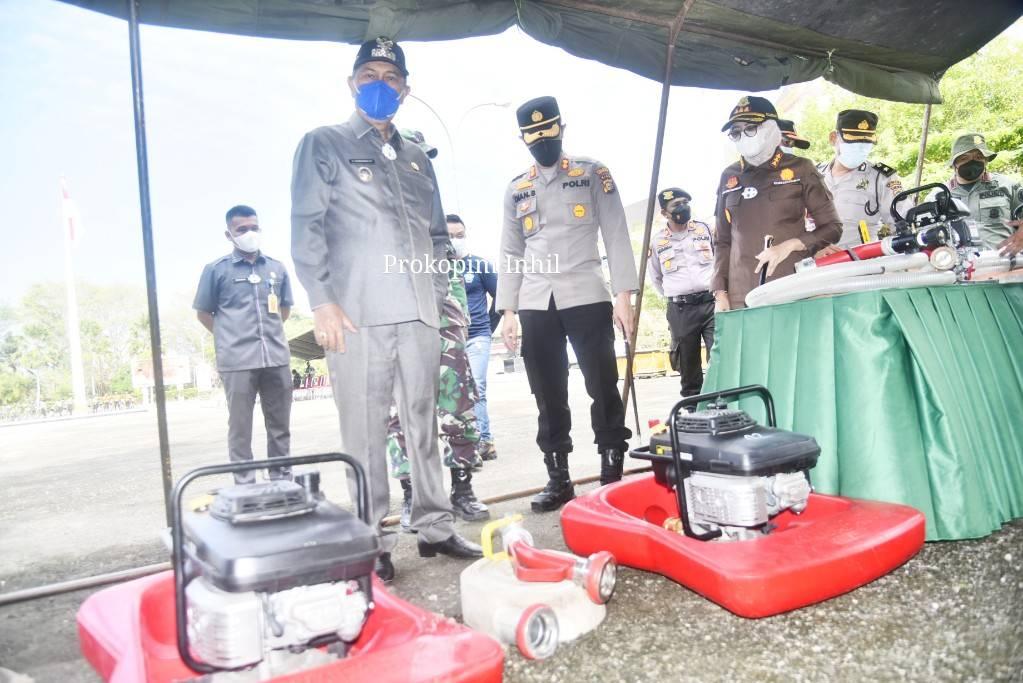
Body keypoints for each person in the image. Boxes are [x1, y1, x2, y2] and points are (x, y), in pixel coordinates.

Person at [290, 36, 481, 582]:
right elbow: (306, 226)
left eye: (391, 77)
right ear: (351, 84)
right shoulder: (324, 143)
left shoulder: (418, 157)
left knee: (423, 422)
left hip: (419, 313)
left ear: (406, 89)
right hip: (357, 314)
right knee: (366, 431)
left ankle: (435, 526)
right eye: (369, 75)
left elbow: (437, 235)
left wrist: (438, 293)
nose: (380, 84)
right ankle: (370, 537)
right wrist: (322, 302)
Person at [497, 96, 639, 512]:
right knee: (547, 392)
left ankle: (611, 475)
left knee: (602, 385)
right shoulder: (516, 188)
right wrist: (508, 311)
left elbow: (615, 232)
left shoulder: (592, 173)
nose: (542, 139)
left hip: (585, 293)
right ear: (523, 139)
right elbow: (510, 250)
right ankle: (558, 478)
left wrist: (624, 296)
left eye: (548, 130)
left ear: (561, 128)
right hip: (535, 301)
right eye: (533, 135)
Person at [386, 141, 489, 530]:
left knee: (458, 408)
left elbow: (453, 279)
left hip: (446, 331)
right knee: (401, 415)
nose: (419, 168)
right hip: (399, 329)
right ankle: (412, 495)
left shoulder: (435, 218)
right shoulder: (380, 219)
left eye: (424, 162)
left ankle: (462, 490)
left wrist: (457, 327)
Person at [193, 205, 294, 485]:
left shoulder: (276, 268)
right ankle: (246, 484)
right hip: (237, 361)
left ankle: (281, 478)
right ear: (229, 234)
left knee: (280, 425)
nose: (250, 233)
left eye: (254, 227)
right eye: (242, 229)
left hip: (275, 357)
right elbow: (203, 313)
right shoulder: (216, 270)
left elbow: (284, 309)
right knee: (240, 428)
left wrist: (269, 334)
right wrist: (229, 336)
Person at [711, 96, 842, 311]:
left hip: (791, 290)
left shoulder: (801, 169)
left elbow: (833, 228)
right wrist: (720, 292)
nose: (743, 136)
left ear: (771, 128)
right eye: (736, 132)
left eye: (751, 128)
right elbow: (722, 241)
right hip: (741, 297)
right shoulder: (729, 176)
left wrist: (790, 245)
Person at [647, 188, 715, 397]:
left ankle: (722, 404)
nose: (683, 208)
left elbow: (720, 260)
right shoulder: (657, 241)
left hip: (711, 303)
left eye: (685, 202)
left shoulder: (704, 229)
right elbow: (656, 277)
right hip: (681, 309)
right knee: (687, 364)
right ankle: (693, 408)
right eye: (676, 205)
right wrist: (678, 295)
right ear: (664, 213)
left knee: (720, 356)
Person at [816, 110, 913, 253]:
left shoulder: (880, 177)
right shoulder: (813, 174)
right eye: (852, 141)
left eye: (866, 142)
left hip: (859, 261)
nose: (860, 148)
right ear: (833, 138)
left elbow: (903, 221)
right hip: (811, 260)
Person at [449, 214, 499, 462]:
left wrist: (488, 325)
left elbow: (501, 297)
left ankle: (484, 441)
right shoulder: (434, 269)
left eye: (459, 235)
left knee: (477, 386)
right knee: (456, 391)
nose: (455, 240)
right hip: (449, 339)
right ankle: (464, 441)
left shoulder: (480, 265)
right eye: (449, 236)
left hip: (477, 336)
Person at [935, 133, 1023, 253]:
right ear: (954, 164)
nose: (972, 162)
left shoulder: (1007, 186)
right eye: (964, 158)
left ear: (986, 161)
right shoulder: (939, 196)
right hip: (958, 262)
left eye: (978, 157)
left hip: (1003, 260)